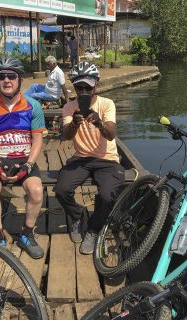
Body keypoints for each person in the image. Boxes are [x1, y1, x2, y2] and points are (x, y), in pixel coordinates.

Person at [0, 56, 46, 261]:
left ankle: (26, 234)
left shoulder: (33, 105)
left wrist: (28, 165)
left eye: (11, 76)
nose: (7, 80)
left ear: (19, 79)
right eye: (2, 76)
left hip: (24, 157)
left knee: (36, 191)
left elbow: (37, 140)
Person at [55, 61, 125, 254]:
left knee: (106, 195)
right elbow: (66, 136)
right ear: (74, 87)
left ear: (96, 85)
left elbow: (111, 134)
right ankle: (78, 216)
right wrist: (75, 124)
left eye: (88, 87)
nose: (84, 91)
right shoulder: (69, 107)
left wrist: (99, 123)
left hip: (107, 159)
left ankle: (94, 229)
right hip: (81, 158)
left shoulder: (106, 104)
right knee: (61, 190)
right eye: (79, 87)